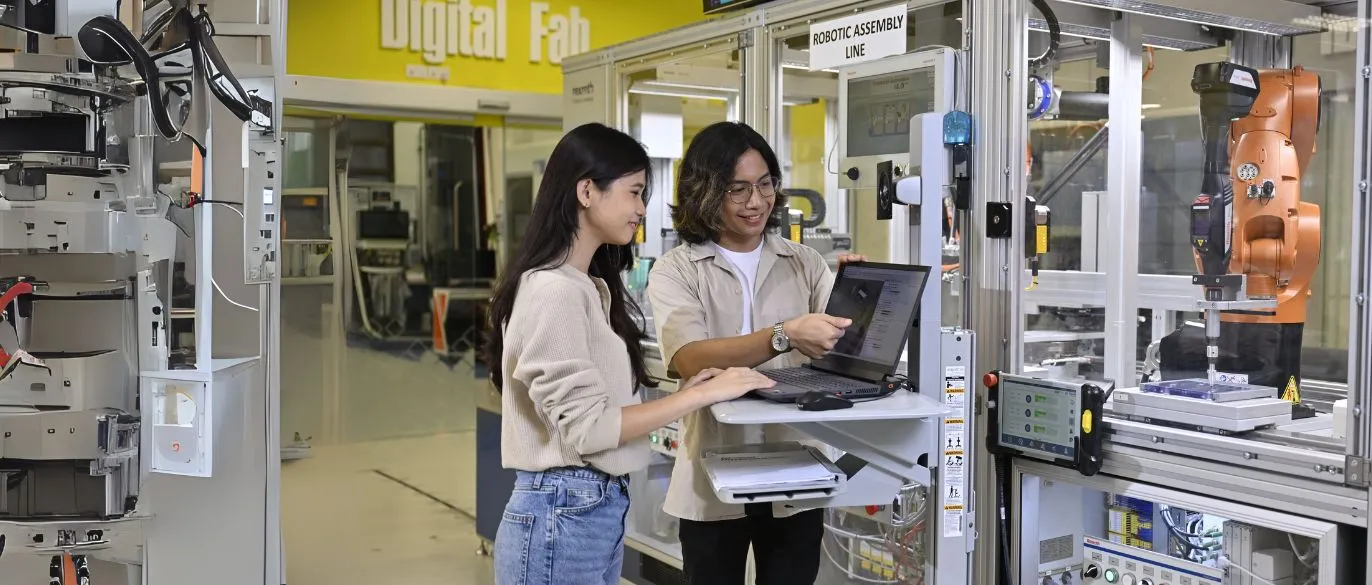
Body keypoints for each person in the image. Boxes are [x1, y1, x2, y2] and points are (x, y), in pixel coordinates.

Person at [484, 122, 777, 585]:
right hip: (563, 510)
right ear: (586, 191)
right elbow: (590, 430)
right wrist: (695, 397)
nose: (642, 208)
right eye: (635, 192)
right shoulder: (552, 290)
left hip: (590, 508)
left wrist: (698, 388)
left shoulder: (590, 287)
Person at [647, 121, 864, 585]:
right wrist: (783, 335)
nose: (756, 201)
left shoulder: (802, 262)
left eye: (765, 184)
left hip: (797, 469)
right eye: (738, 189)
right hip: (712, 473)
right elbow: (689, 357)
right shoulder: (677, 269)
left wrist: (857, 297)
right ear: (704, 193)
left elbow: (840, 348)